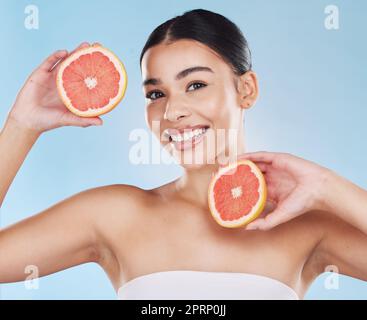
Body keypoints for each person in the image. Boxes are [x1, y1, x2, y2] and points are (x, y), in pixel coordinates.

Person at [0, 9, 366, 300]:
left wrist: (325, 185)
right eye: (156, 94)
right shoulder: (115, 215)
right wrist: (22, 124)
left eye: (195, 85)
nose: (173, 112)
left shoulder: (306, 224)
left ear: (246, 89)